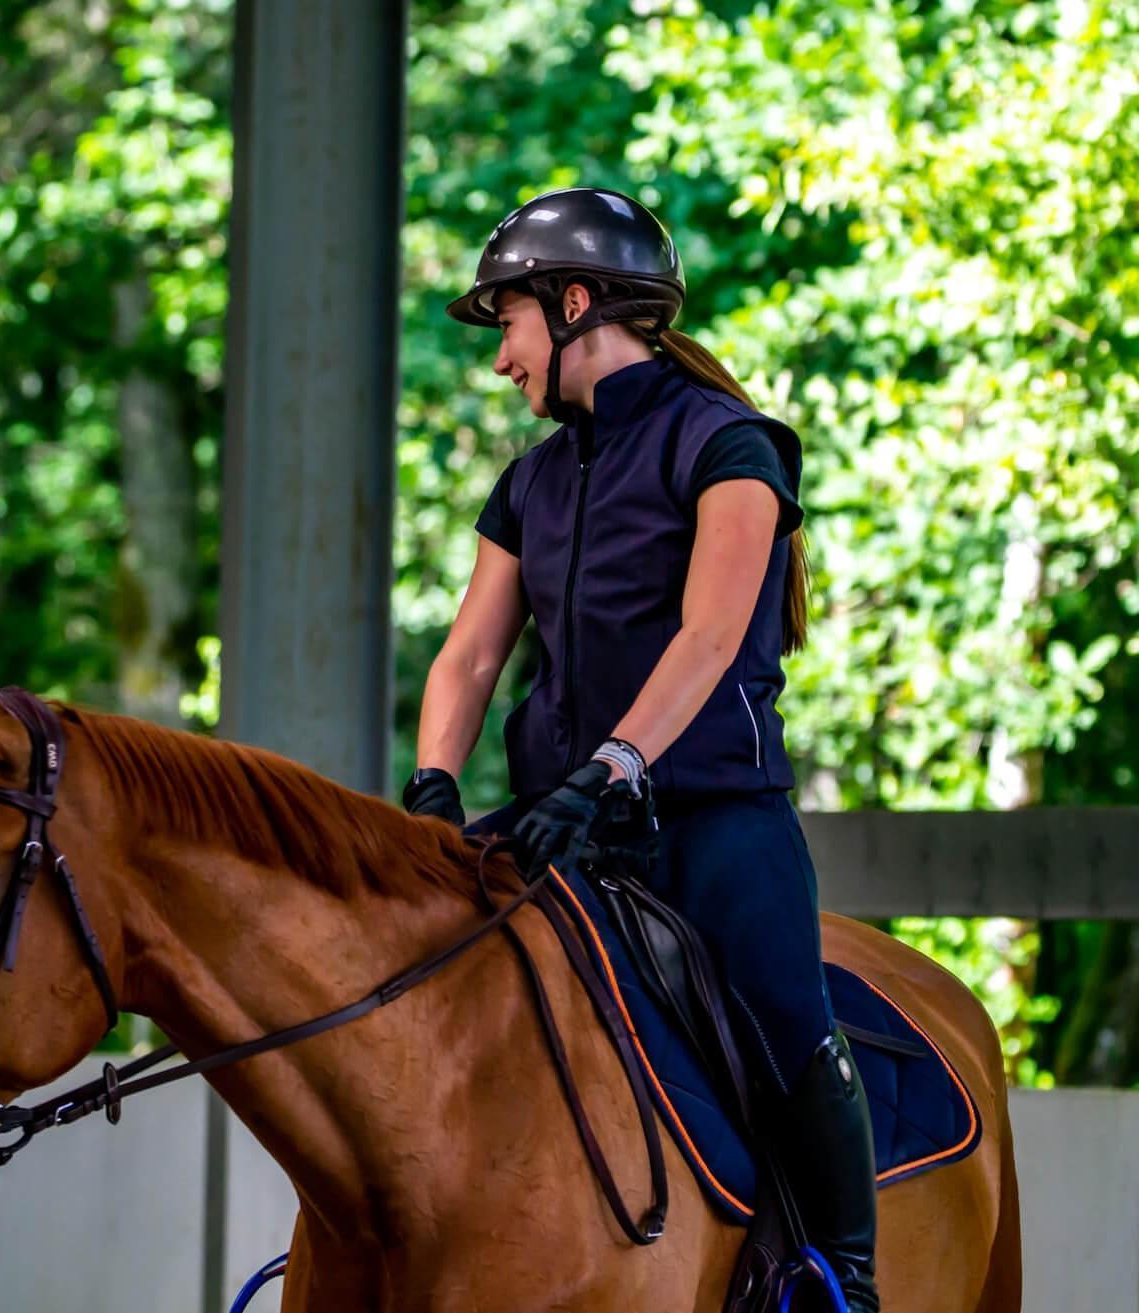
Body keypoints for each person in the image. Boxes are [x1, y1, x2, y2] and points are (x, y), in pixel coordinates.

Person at [402, 187, 878, 1310]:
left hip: (713, 821)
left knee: (786, 1017)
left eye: (509, 324)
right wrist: (431, 784)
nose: (502, 358)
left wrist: (616, 765)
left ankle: (846, 1280)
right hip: (560, 828)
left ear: (575, 304)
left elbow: (709, 635)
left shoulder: (731, 446)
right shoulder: (528, 481)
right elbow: (470, 656)